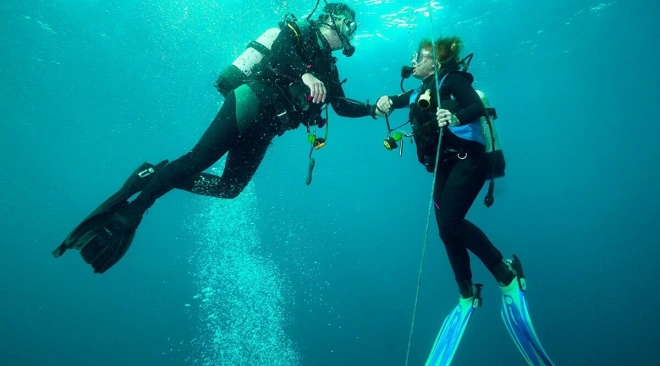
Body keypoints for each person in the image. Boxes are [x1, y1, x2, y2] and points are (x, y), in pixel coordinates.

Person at [53, 2, 379, 274]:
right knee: (197, 159)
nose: (352, 31)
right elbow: (279, 51)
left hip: (266, 128)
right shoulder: (300, 31)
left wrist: (376, 108)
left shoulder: (329, 67)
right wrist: (305, 74)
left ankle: (152, 176)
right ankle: (133, 212)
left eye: (354, 27)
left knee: (230, 189)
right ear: (330, 19)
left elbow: (340, 105)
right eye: (348, 23)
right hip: (252, 99)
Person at [373, 37, 554, 365]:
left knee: (451, 221)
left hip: (468, 160)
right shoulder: (420, 90)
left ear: (436, 60)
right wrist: (384, 101)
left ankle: (506, 274)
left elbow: (475, 107)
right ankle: (466, 291)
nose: (413, 60)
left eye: (419, 56)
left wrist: (455, 119)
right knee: (445, 229)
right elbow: (401, 100)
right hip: (444, 166)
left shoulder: (451, 80)